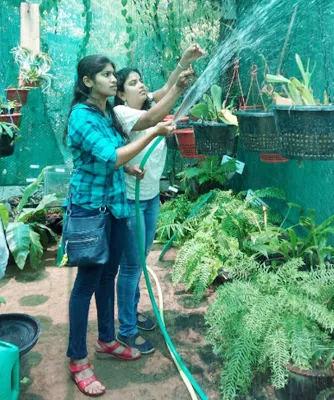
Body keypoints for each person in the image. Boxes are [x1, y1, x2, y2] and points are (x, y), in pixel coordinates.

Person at [63, 54, 175, 396]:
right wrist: (154, 131)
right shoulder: (82, 117)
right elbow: (113, 155)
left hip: (113, 204)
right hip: (89, 210)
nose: (113, 80)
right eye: (107, 75)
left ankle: (107, 339)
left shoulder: (106, 113)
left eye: (114, 75)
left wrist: (128, 168)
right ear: (88, 82)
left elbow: (114, 154)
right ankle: (77, 359)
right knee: (86, 282)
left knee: (109, 274)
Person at [112, 44, 205, 354]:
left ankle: (131, 312)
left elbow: (164, 90)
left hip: (150, 198)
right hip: (130, 199)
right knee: (131, 265)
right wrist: (178, 88)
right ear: (122, 94)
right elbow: (154, 115)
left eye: (141, 80)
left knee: (139, 263)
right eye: (134, 83)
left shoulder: (146, 103)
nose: (142, 86)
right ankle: (125, 328)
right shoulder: (123, 113)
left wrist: (183, 62)